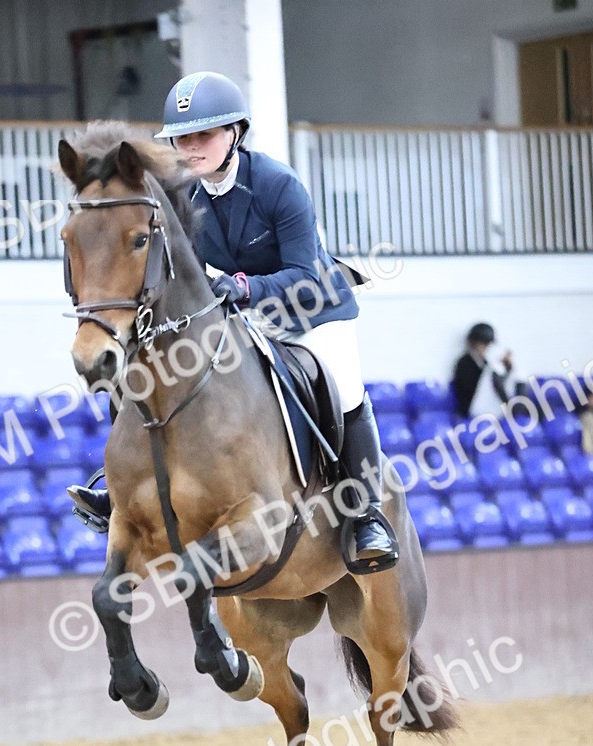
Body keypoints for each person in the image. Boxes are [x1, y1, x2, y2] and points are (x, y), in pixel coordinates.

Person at [70, 70, 398, 572]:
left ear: (235, 134)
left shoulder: (278, 185)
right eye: (183, 137)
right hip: (242, 312)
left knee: (345, 389)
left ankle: (365, 514)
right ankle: (120, 493)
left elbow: (303, 273)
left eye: (204, 135)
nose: (192, 147)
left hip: (312, 309)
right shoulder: (186, 201)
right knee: (149, 367)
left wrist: (245, 288)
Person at [452, 323, 519, 419]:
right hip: (472, 407)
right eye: (484, 343)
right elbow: (469, 388)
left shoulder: (485, 362)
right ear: (473, 342)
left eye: (488, 344)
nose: (486, 347)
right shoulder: (464, 362)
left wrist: (506, 367)